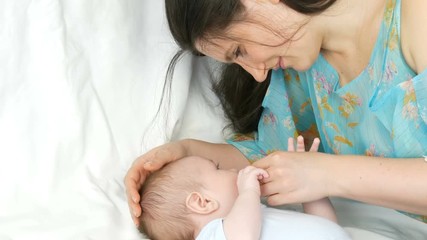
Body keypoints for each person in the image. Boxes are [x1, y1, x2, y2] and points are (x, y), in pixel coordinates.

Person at [126, 0, 427, 227]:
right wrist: (184, 154)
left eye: (239, 50)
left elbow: (308, 171)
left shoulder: (417, 17)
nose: (258, 75)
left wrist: (327, 174)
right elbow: (268, 161)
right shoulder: (302, 70)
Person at [139, 137, 351, 240]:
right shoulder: (212, 234)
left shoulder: (259, 213)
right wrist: (249, 191)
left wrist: (309, 189)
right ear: (202, 203)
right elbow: (243, 236)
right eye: (218, 169)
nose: (232, 169)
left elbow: (324, 224)